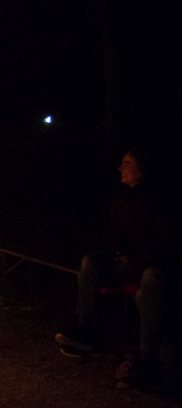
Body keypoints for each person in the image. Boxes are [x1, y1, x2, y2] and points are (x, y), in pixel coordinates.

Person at [55, 148, 177, 389]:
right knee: (91, 263)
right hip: (129, 262)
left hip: (149, 264)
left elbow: (167, 244)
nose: (121, 168)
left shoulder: (159, 201)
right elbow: (116, 238)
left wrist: (132, 255)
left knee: (149, 279)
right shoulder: (121, 200)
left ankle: (145, 360)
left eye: (127, 163)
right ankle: (85, 330)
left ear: (142, 168)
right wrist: (119, 252)